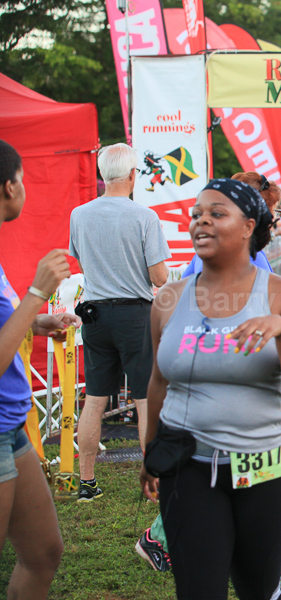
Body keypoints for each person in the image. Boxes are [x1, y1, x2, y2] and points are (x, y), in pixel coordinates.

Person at [139, 178, 281, 599]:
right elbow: (158, 382)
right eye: (196, 214)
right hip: (187, 465)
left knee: (257, 588)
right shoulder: (168, 299)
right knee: (198, 590)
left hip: (264, 468)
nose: (201, 221)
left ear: (248, 226)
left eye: (216, 213)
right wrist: (152, 454)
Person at [69, 143, 171, 502]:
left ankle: (86, 482)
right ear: (132, 175)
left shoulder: (79, 214)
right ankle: (153, 482)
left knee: (94, 400)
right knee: (144, 400)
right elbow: (159, 277)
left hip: (94, 314)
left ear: (102, 174)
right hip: (134, 315)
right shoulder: (144, 216)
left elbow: (80, 260)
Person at [0, 139, 78, 598]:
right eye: (23, 179)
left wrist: (36, 320)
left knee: (44, 553)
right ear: (9, 187)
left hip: (11, 428)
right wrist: (36, 293)